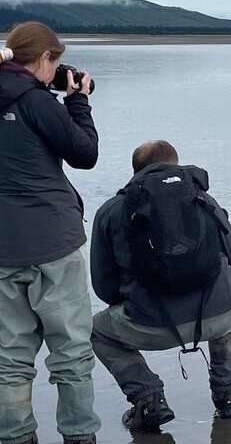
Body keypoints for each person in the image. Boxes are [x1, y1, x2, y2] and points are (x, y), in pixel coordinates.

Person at [90, 140, 231, 432]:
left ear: (135, 171)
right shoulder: (203, 199)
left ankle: (148, 398)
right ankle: (229, 395)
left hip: (151, 325)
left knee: (95, 331)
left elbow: (105, 288)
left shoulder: (112, 210)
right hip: (217, 318)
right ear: (175, 165)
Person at [0, 22, 101, 444]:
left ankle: (15, 437)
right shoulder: (37, 102)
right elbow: (84, 154)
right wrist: (77, 101)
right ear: (44, 60)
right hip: (53, 243)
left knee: (9, 357)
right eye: (55, 63)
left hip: (3, 248)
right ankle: (79, 436)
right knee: (72, 352)